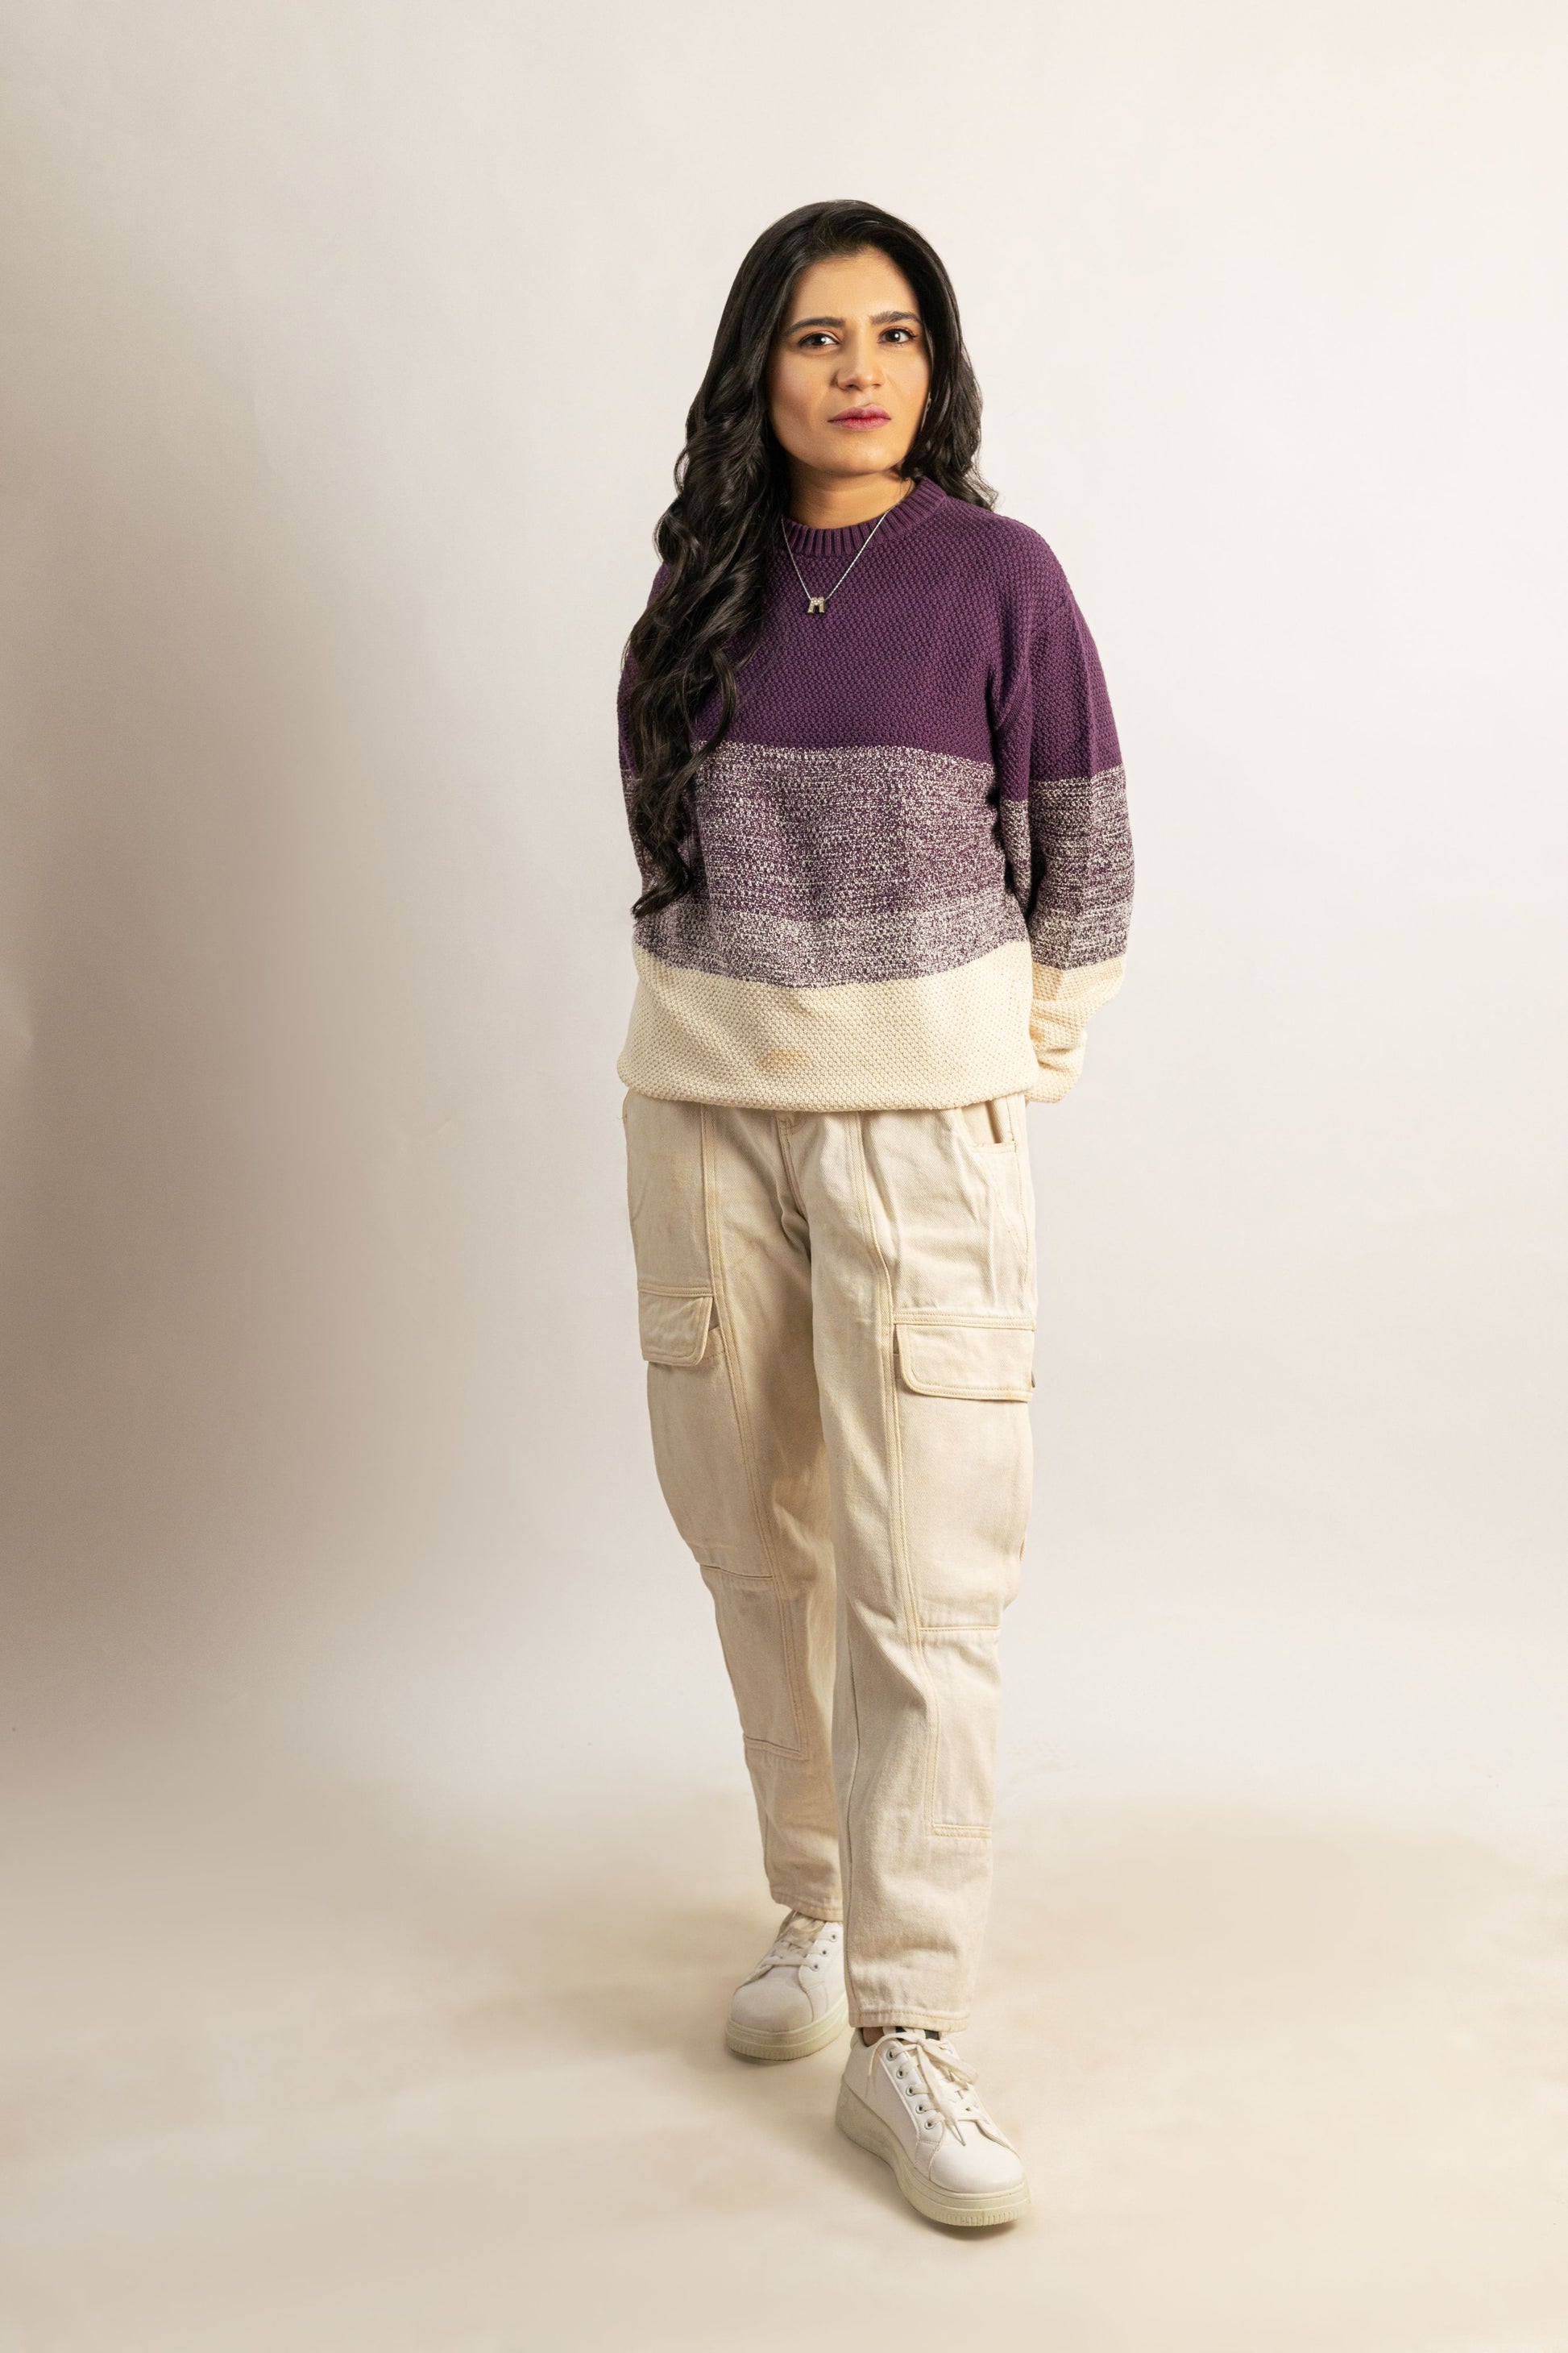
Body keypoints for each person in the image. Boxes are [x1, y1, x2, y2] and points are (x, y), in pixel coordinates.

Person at [615, 198, 1132, 2228]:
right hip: (701, 1117)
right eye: (818, 334)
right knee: (752, 1541)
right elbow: (665, 849)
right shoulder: (695, 590)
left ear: (938, 366)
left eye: (895, 333)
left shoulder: (999, 576)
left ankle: (908, 2025)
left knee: (927, 1578)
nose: (858, 368)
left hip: (922, 1131)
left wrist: (994, 1064)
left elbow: (1081, 846)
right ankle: (813, 1908)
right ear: (759, 366)